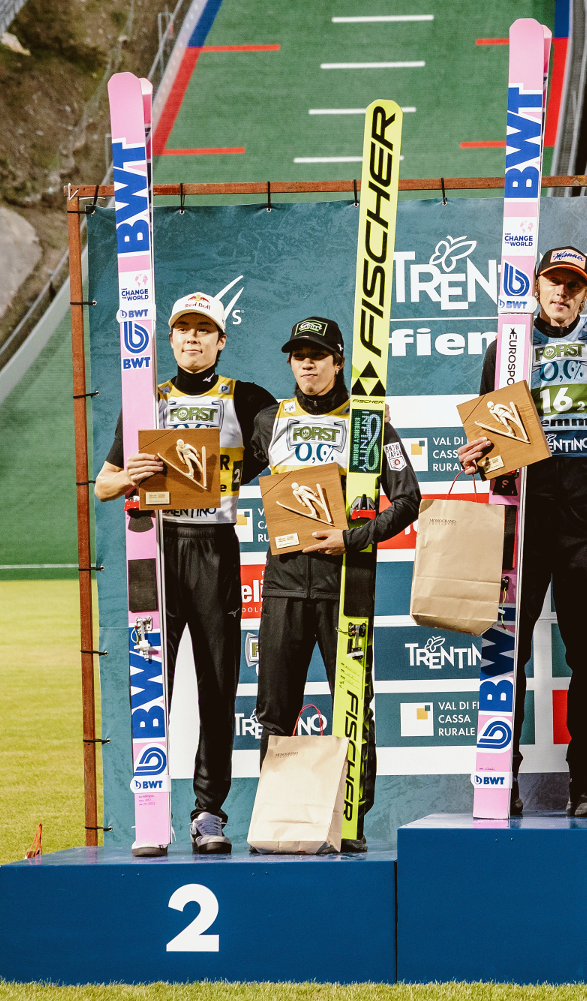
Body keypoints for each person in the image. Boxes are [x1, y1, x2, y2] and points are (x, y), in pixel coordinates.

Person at [457, 246, 587, 817]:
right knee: (506, 652)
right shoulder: (507, 346)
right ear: (535, 286)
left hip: (585, 521)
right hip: (523, 519)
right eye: (553, 281)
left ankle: (583, 780)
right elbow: (488, 446)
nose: (562, 292)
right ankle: (500, 777)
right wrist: (476, 458)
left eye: (573, 284)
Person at [94, 291, 276, 855]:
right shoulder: (146, 399)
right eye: (183, 329)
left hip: (215, 550)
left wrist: (239, 468)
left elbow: (289, 447)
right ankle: (150, 810)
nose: (193, 338)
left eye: (204, 330)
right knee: (153, 682)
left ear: (221, 340)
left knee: (218, 688)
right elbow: (102, 485)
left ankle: (208, 814)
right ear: (169, 339)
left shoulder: (246, 397)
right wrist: (131, 476)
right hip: (157, 550)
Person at [250, 316, 421, 852]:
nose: (307, 363)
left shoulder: (368, 422)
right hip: (283, 588)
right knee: (274, 712)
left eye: (318, 355)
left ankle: (351, 824)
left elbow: (409, 500)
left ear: (339, 361)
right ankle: (277, 825)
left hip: (347, 588)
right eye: (298, 355)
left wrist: (351, 539)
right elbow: (222, 478)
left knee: (352, 710)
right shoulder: (269, 420)